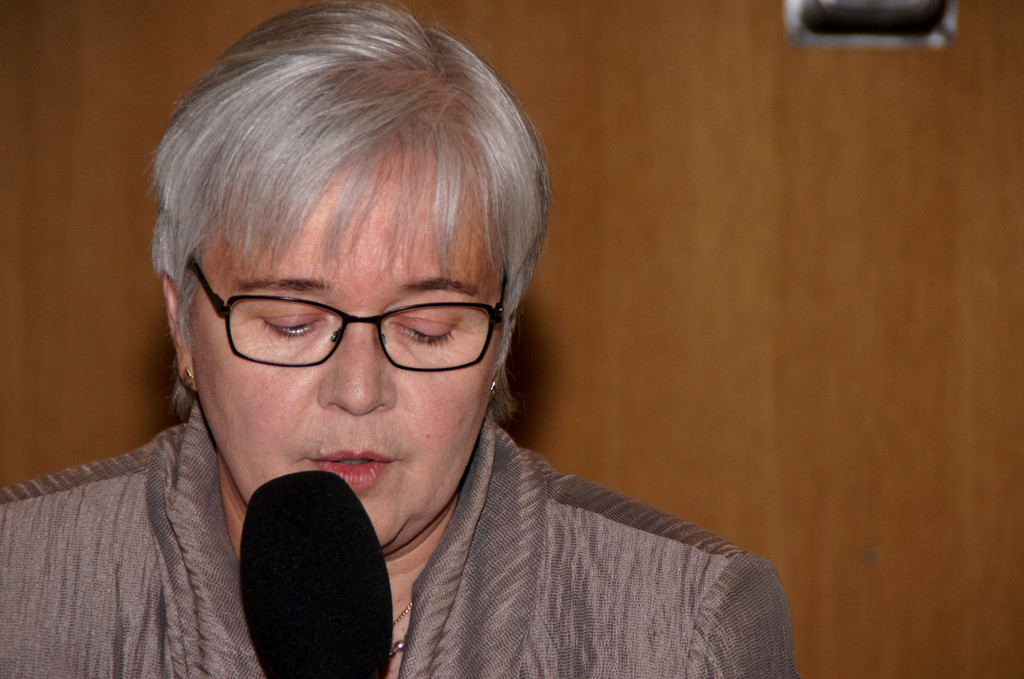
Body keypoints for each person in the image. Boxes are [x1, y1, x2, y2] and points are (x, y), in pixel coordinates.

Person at [0, 2, 800, 677]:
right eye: (291, 321)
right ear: (182, 323)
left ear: (501, 340)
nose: (359, 389)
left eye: (427, 329)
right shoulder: (19, 587)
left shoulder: (687, 631)